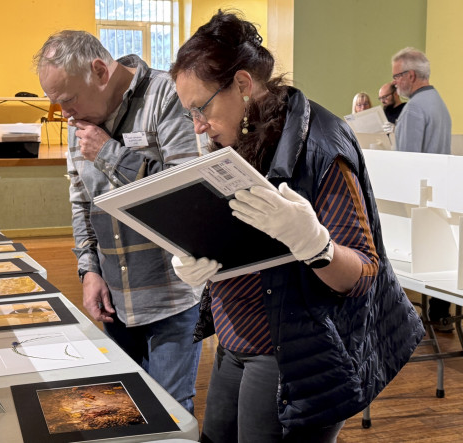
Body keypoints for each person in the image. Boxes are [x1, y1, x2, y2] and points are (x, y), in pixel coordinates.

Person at [169, 11, 425, 442]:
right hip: (235, 340)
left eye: (201, 108)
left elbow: (364, 273)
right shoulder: (233, 137)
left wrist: (314, 244)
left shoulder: (322, 144)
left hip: (293, 351)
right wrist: (196, 254)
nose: (198, 125)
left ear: (244, 85)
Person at [33, 30, 207, 413]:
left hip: (172, 297)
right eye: (55, 104)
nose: (64, 113)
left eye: (68, 100)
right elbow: (81, 203)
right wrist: (88, 271)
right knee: (126, 410)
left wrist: (109, 154)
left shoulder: (166, 95)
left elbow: (188, 193)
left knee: (172, 412)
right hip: (115, 296)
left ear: (99, 71)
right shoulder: (79, 117)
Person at [391, 47, 453, 329]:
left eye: (396, 77)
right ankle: (439, 316)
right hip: (439, 192)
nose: (394, 83)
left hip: (416, 197)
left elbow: (405, 161)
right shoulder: (438, 102)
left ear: (410, 75)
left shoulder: (415, 108)